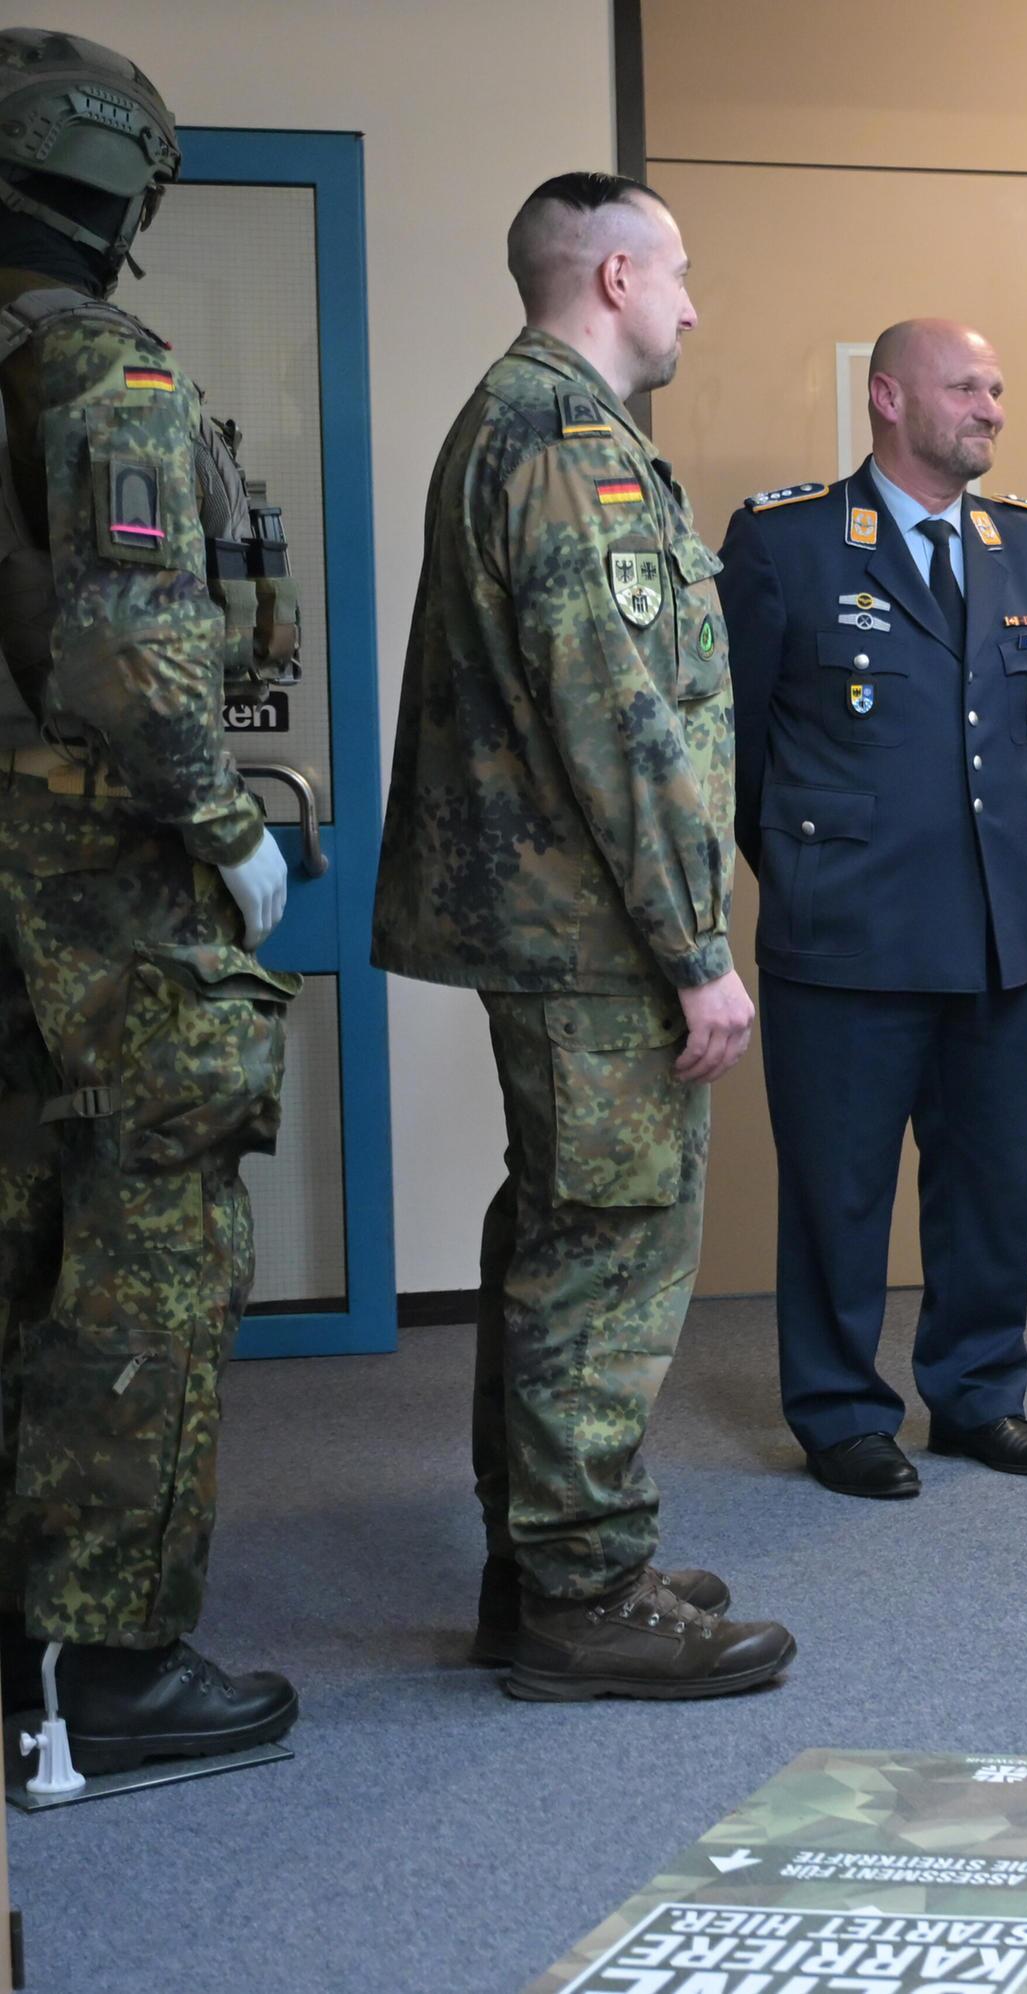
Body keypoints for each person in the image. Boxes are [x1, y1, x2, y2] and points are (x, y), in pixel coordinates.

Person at [372, 172, 793, 1701]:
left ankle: (543, 1564)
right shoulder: (562, 444)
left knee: (563, 1233)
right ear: (613, 277)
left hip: (564, 923)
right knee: (610, 1250)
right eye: (677, 272)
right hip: (596, 936)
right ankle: (585, 1593)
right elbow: (619, 722)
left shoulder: (538, 426)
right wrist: (697, 949)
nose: (695, 304)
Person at [0, 26, 301, 1771]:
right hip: (107, 901)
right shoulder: (106, 375)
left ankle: (23, 1654)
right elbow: (133, 659)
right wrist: (229, 829)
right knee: (147, 1270)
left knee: (27, 1258)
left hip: (17, 917)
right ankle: (107, 1673)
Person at [719, 318, 1027, 1499]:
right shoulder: (788, 541)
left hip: (996, 923)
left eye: (997, 387)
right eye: (966, 386)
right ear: (887, 397)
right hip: (848, 928)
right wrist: (812, 867)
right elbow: (740, 751)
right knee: (841, 1186)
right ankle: (839, 1411)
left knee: (988, 1181)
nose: (991, 407)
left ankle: (979, 1393)